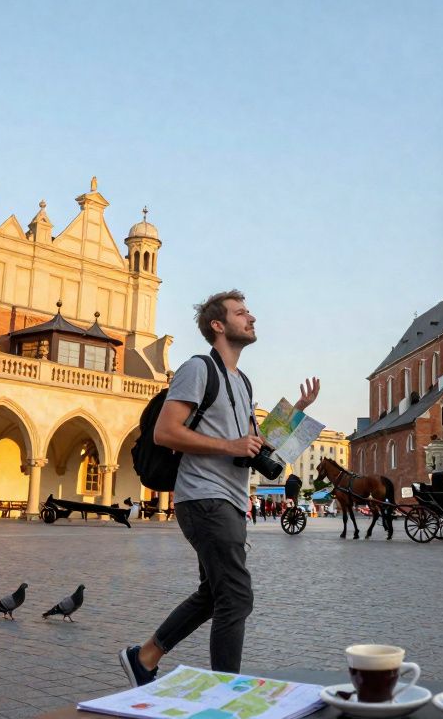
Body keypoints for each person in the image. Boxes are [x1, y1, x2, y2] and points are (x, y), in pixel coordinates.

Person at [120, 290, 319, 686]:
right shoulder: (197, 369)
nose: (252, 318)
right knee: (237, 596)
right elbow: (165, 432)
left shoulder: (242, 381)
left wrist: (296, 413)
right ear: (218, 325)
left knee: (214, 594)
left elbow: (254, 445)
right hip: (204, 497)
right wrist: (229, 445)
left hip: (228, 499)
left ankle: (143, 658)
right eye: (241, 312)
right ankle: (227, 693)